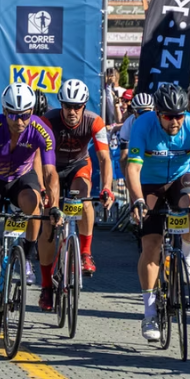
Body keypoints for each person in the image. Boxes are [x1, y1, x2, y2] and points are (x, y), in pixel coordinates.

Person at [126, 83, 190, 342]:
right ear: (157, 113)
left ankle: (188, 256)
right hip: (149, 183)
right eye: (169, 116)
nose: (176, 121)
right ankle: (149, 314)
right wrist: (137, 200)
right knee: (151, 246)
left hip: (180, 177)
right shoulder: (143, 125)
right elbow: (132, 168)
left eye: (180, 115)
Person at [0, 83, 62, 333]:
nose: (19, 121)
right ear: (4, 111)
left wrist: (54, 206)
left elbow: (50, 173)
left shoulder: (41, 130)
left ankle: (27, 255)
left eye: (24, 115)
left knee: (35, 203)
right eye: (12, 115)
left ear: (31, 111)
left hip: (21, 178)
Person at [42, 79, 114, 285]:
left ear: (84, 106)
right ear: (61, 104)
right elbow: (39, 156)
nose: (72, 111)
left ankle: (85, 252)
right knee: (47, 223)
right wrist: (42, 187)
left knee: (83, 198)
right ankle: (46, 284)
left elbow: (104, 158)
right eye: (67, 106)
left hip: (78, 165)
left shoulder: (94, 121)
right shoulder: (48, 120)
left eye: (77, 107)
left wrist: (107, 187)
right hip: (53, 166)